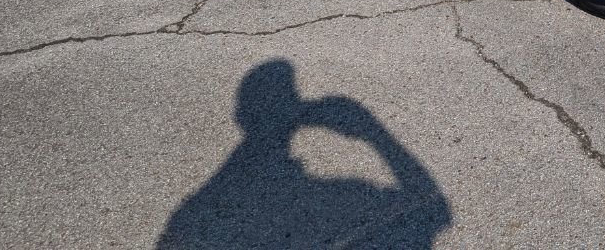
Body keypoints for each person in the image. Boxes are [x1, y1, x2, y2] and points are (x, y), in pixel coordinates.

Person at [158, 61, 450, 249]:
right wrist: (375, 134)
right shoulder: (345, 196)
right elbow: (434, 208)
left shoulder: (193, 217)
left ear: (241, 115)